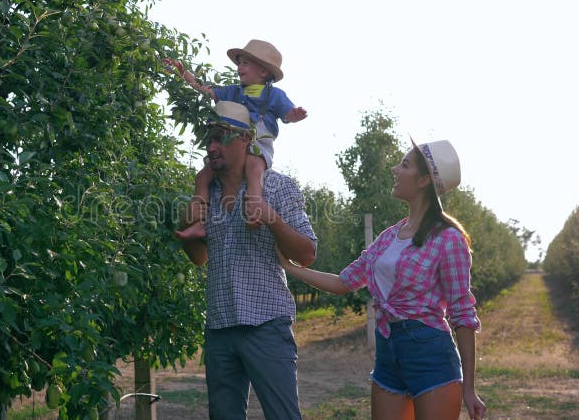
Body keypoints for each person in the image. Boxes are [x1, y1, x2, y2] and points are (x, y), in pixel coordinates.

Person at [278, 139, 487, 420]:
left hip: (431, 357)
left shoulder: (448, 239)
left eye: (404, 164)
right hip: (388, 354)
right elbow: (343, 282)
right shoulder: (389, 237)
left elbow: (462, 313)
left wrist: (469, 388)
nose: (394, 169)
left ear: (424, 179)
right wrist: (289, 267)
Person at [177, 100, 317, 420]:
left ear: (244, 140)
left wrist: (271, 218)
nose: (211, 147)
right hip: (220, 327)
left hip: (266, 325)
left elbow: (307, 253)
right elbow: (199, 259)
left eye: (220, 138)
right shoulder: (206, 193)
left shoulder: (276, 187)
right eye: (208, 139)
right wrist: (189, 234)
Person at [168, 39, 308, 240]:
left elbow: (286, 114)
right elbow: (205, 90)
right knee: (203, 177)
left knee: (253, 166)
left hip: (259, 143)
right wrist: (183, 74)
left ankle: (254, 210)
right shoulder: (232, 91)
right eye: (239, 62)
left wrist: (294, 115)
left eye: (245, 63)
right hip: (232, 142)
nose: (239, 67)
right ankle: (199, 223)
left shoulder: (275, 95)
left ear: (264, 72)